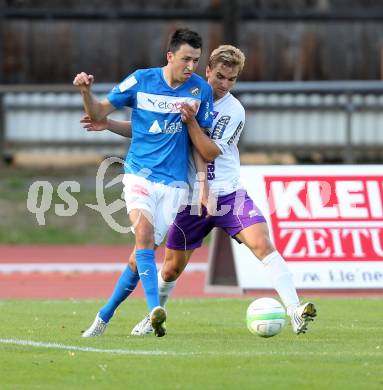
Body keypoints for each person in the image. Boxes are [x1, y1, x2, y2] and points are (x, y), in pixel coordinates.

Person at [82, 45, 317, 337]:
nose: (224, 84)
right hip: (188, 199)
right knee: (169, 270)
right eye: (219, 76)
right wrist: (107, 124)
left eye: (231, 80)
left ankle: (295, 309)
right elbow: (149, 127)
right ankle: (153, 316)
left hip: (228, 194)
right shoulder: (188, 93)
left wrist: (191, 121)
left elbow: (207, 150)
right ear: (207, 71)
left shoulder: (233, 110)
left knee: (262, 243)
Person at [74, 28, 214, 337]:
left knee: (140, 257)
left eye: (195, 60)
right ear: (170, 56)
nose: (190, 66)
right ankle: (155, 311)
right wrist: (86, 92)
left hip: (176, 185)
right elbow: (97, 112)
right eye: (185, 59)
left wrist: (203, 187)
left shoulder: (200, 91)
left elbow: (200, 145)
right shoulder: (141, 80)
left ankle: (103, 317)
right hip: (140, 175)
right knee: (144, 233)